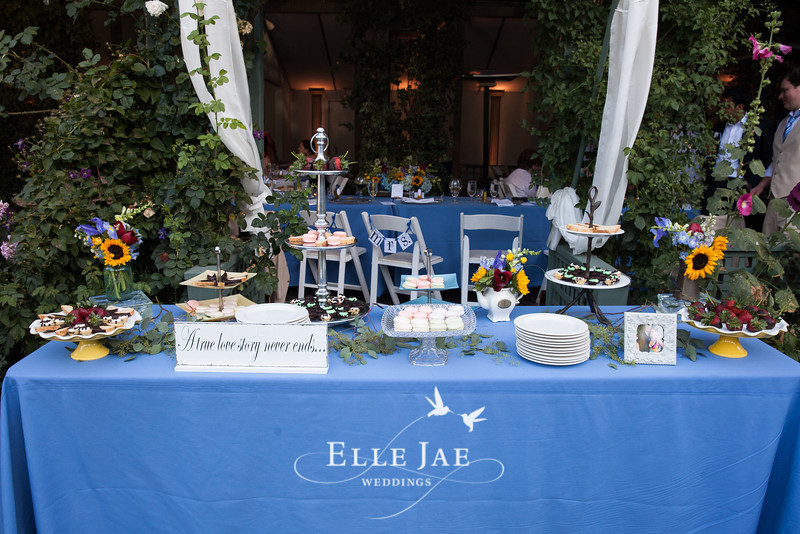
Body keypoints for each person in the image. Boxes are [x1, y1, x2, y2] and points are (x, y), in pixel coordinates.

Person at [705, 87, 774, 229]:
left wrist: (750, 183)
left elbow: (767, 159)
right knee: (711, 224)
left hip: (741, 185)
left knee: (736, 225)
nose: (722, 110)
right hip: (716, 183)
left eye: (726, 106)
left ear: (740, 107)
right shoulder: (718, 127)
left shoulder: (759, 127)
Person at [751, 65, 800, 236]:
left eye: (785, 90)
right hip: (774, 201)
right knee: (768, 248)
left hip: (796, 205)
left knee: (791, 250)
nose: (780, 96)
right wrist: (762, 185)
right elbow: (777, 160)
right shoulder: (783, 123)